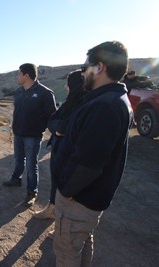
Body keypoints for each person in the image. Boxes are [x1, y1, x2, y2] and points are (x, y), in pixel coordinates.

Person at [52, 41, 133, 266]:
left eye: (84, 66)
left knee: (66, 253)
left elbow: (89, 164)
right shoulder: (111, 100)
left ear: (99, 68)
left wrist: (66, 191)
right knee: (80, 247)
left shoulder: (104, 107)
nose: (82, 72)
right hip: (87, 201)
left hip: (78, 201)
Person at [33, 70, 86, 221]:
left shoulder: (84, 103)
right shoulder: (70, 102)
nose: (65, 87)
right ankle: (52, 209)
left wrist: (59, 128)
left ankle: (62, 221)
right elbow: (53, 121)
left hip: (69, 151)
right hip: (59, 147)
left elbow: (62, 127)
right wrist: (58, 128)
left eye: (68, 84)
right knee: (56, 179)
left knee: (65, 184)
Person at [3, 63, 56, 207]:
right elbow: (16, 112)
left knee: (32, 165)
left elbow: (52, 116)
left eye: (19, 74)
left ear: (26, 75)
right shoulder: (19, 92)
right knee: (19, 159)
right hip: (18, 133)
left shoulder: (45, 93)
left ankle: (32, 192)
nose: (17, 76)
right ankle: (16, 179)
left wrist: (49, 132)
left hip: (33, 136)